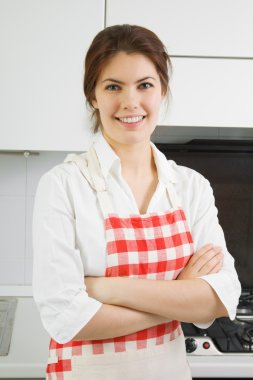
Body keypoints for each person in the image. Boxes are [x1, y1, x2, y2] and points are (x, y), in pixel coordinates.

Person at [32, 24, 241, 380]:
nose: (131, 102)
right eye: (113, 86)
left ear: (162, 92)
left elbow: (220, 297)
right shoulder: (63, 185)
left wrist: (108, 289)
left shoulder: (191, 187)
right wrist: (178, 298)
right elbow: (67, 318)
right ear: (94, 96)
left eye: (145, 85)